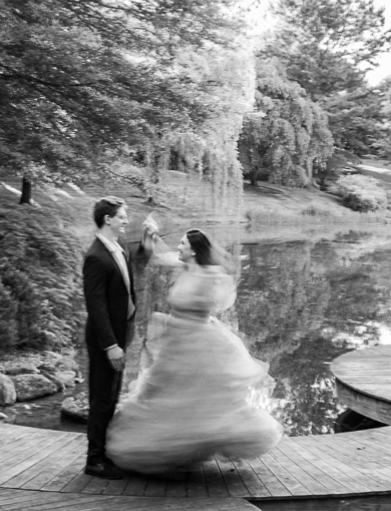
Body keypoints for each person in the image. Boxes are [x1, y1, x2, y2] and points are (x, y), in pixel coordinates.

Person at [105, 227, 283, 475]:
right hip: (176, 342)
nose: (178, 247)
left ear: (194, 250)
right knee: (166, 395)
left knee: (195, 397)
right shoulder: (184, 267)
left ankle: (188, 446)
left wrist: (196, 316)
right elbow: (162, 256)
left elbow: (218, 304)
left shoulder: (211, 275)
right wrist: (153, 239)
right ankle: (173, 450)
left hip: (197, 342)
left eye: (182, 244)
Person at [82, 196, 155, 480]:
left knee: (112, 396)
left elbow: (137, 261)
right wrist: (111, 346)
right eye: (122, 216)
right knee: (101, 399)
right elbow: (96, 306)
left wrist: (148, 238)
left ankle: (105, 453)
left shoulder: (119, 246)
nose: (126, 220)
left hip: (121, 333)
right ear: (108, 219)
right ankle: (94, 461)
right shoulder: (95, 257)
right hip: (106, 340)